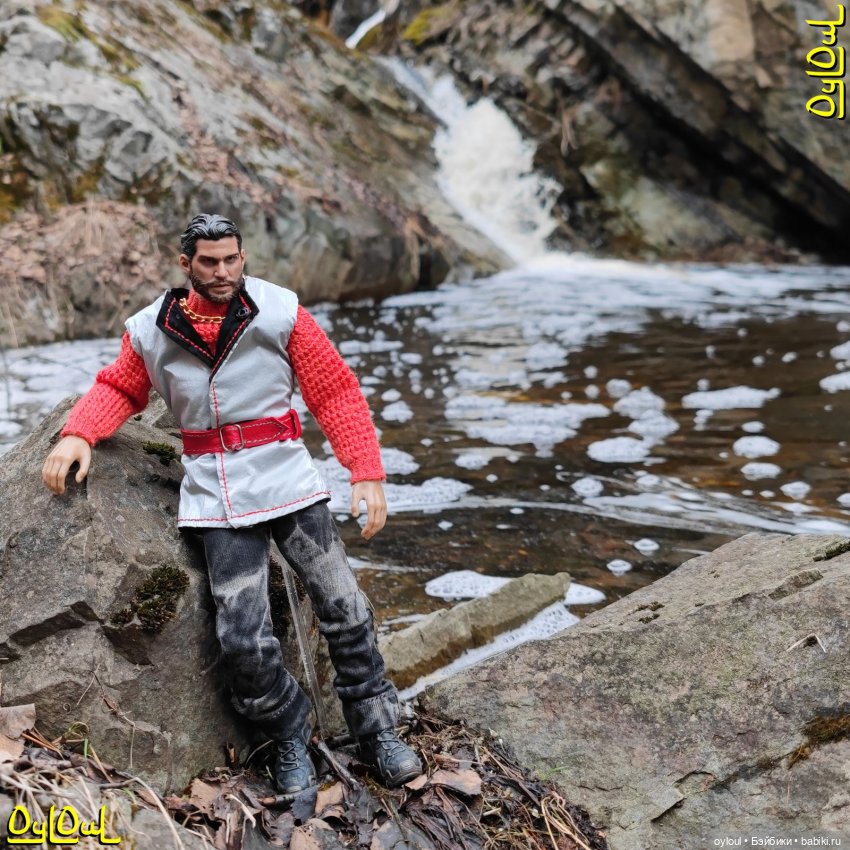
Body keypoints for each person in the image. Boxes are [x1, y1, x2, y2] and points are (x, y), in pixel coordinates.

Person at [41, 213, 423, 795]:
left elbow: (333, 389)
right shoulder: (151, 329)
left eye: (231, 259)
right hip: (216, 491)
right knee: (243, 637)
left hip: (288, 477)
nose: (222, 271)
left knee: (345, 607)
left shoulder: (279, 310)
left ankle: (377, 729)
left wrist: (365, 469)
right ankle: (288, 733)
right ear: (186, 264)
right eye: (209, 262)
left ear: (243, 257)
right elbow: (120, 386)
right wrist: (79, 432)